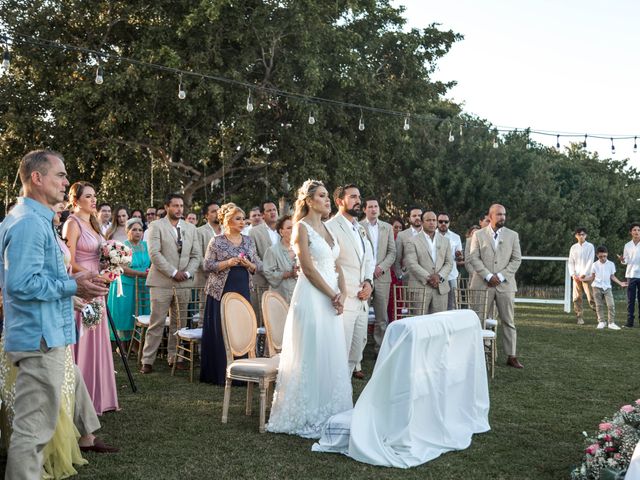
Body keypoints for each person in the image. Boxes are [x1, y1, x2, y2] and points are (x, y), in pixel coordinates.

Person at [0, 150, 110, 479]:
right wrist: (71, 286)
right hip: (39, 338)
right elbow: (21, 284)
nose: (66, 182)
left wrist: (74, 285)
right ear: (37, 178)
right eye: (60, 175)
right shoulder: (29, 223)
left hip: (44, 332)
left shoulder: (33, 218)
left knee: (37, 430)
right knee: (33, 433)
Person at [267, 180, 352, 438]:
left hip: (332, 299)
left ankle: (330, 410)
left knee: (330, 351)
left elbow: (336, 266)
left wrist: (344, 293)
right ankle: (307, 412)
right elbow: (308, 268)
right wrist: (332, 294)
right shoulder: (300, 229)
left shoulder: (328, 229)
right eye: (323, 196)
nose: (328, 200)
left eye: (328, 196)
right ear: (309, 201)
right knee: (313, 353)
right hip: (313, 298)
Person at [64, 181, 120, 414]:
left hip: (98, 286)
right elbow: (69, 260)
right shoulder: (72, 223)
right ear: (76, 200)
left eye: (95, 195)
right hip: (83, 285)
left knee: (97, 336)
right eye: (88, 196)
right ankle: (80, 400)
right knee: (84, 337)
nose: (94, 200)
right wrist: (91, 275)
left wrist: (113, 264)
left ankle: (100, 396)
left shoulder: (95, 224)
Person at [200, 203, 261, 385]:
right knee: (223, 329)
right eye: (238, 218)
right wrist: (228, 263)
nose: (242, 222)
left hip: (242, 288)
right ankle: (220, 372)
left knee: (242, 327)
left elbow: (258, 265)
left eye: (243, 219)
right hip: (220, 291)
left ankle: (244, 372)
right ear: (227, 220)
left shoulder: (249, 241)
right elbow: (207, 265)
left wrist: (248, 264)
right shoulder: (217, 241)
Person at [140, 193, 201, 374]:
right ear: (167, 207)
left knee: (179, 322)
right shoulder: (156, 226)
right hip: (161, 281)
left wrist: (188, 272)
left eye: (181, 206)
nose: (179, 209)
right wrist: (173, 272)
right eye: (175, 206)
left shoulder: (191, 228)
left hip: (184, 282)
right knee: (156, 322)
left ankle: (175, 357)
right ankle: (147, 360)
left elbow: (197, 255)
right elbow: (154, 253)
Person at [326, 184, 374, 378]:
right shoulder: (330, 227)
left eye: (359, 196)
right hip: (343, 300)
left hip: (363, 299)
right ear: (339, 201)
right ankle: (336, 394)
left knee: (356, 352)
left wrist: (369, 283)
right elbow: (330, 263)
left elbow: (369, 259)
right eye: (353, 197)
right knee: (340, 351)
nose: (358, 200)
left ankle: (344, 391)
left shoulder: (360, 228)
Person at [469, 203, 523, 369]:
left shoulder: (513, 235)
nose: (502, 217)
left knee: (508, 321)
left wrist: (499, 276)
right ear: (490, 216)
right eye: (499, 214)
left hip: (505, 285)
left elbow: (516, 259)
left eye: (504, 214)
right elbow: (474, 258)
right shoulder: (478, 235)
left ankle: (511, 355)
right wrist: (487, 275)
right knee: (478, 320)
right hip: (482, 284)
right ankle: (478, 354)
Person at [107, 217, 150, 347]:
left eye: (140, 230)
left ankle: (138, 344)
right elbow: (122, 268)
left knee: (141, 313)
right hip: (125, 285)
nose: (138, 232)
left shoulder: (146, 245)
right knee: (125, 314)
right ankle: (123, 346)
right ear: (127, 231)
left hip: (143, 285)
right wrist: (141, 274)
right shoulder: (122, 247)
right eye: (134, 229)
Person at [361, 198, 395, 353]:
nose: (374, 209)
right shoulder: (358, 226)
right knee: (361, 314)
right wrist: (368, 269)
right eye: (370, 207)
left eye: (376, 206)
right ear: (364, 209)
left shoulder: (387, 227)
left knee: (382, 316)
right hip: (363, 277)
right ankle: (359, 349)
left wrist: (381, 267)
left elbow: (392, 252)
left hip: (382, 276)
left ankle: (379, 349)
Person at [404, 211, 452, 313]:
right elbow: (411, 264)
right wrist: (429, 278)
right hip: (420, 287)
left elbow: (449, 263)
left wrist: (439, 276)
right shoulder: (412, 241)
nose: (432, 223)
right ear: (422, 222)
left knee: (439, 323)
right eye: (428, 220)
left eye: (434, 220)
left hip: (440, 288)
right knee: (419, 323)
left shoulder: (445, 241)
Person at [249, 201, 280, 316]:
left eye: (274, 210)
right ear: (263, 215)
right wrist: (269, 271)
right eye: (269, 210)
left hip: (283, 280)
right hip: (262, 280)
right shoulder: (254, 232)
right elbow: (253, 255)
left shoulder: (285, 229)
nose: (273, 212)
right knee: (262, 316)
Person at [584, 246, 626, 330]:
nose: (603, 258)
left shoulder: (611, 264)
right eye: (600, 256)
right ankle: (601, 322)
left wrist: (620, 283)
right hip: (596, 287)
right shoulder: (594, 265)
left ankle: (611, 323)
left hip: (607, 287)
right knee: (598, 305)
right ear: (597, 255)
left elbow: (612, 276)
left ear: (607, 255)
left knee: (611, 305)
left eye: (604, 256)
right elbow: (592, 277)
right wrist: (582, 279)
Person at [263, 215, 298, 304]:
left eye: (295, 227)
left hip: (300, 295)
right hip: (281, 296)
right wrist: (289, 274)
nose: (293, 230)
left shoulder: (302, 249)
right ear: (281, 232)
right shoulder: (272, 251)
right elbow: (268, 273)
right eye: (289, 228)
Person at [568, 227, 596, 325]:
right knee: (577, 298)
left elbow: (590, 261)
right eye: (579, 234)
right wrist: (573, 274)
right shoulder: (573, 247)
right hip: (576, 277)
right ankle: (579, 317)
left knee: (591, 297)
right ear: (576, 236)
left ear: (586, 235)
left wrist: (584, 274)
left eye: (583, 234)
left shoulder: (590, 246)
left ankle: (599, 316)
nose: (581, 236)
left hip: (587, 276)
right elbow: (571, 262)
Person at [437, 212, 464, 309]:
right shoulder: (431, 236)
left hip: (451, 275)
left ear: (449, 223)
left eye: (446, 221)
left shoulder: (455, 237)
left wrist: (459, 256)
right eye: (440, 221)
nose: (443, 223)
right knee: (437, 304)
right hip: (436, 274)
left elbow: (459, 257)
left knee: (452, 304)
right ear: (437, 222)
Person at [394, 206, 423, 284]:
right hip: (408, 278)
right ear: (409, 219)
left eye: (419, 215)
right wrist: (399, 275)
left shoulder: (430, 234)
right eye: (414, 216)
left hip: (427, 278)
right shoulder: (402, 235)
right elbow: (397, 259)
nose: (417, 217)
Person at [618, 222, 640, 328]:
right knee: (630, 300)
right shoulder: (627, 245)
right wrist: (622, 260)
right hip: (631, 275)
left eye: (638, 230)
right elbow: (625, 261)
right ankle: (629, 322)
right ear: (631, 232)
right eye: (635, 230)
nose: (637, 232)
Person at [387, 217, 404, 322]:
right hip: (388, 274)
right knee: (389, 302)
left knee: (399, 301)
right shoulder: (387, 239)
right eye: (395, 227)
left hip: (399, 275)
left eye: (400, 228)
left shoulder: (404, 240)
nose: (398, 230)